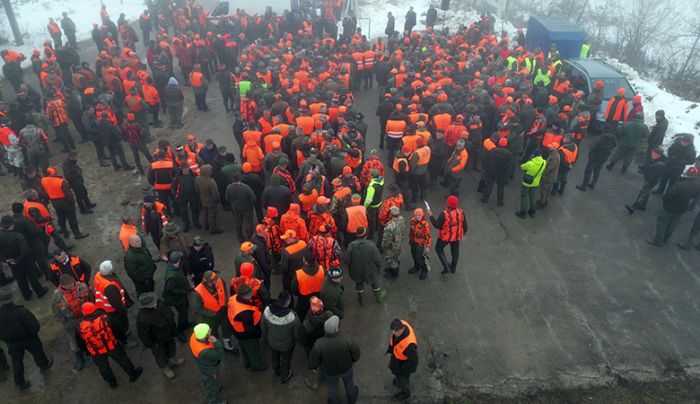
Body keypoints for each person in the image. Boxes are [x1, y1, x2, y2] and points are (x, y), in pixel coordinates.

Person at [78, 302, 142, 389]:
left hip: (96, 351)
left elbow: (80, 342)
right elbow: (117, 331)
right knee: (123, 360)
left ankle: (112, 382)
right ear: (95, 309)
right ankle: (132, 374)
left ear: (83, 312)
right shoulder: (106, 319)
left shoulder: (79, 326)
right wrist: (123, 340)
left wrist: (86, 351)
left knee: (103, 367)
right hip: (112, 346)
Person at [0, 289, 54, 390]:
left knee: (16, 361)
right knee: (37, 351)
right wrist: (32, 333)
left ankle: (19, 383)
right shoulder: (21, 311)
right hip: (28, 338)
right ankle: (44, 365)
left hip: (11, 343)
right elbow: (34, 326)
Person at [309, 315, 360, 404]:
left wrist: (313, 366)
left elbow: (313, 359)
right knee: (349, 383)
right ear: (336, 329)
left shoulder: (319, 344)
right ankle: (351, 396)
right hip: (346, 368)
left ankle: (335, 401)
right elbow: (356, 353)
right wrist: (353, 360)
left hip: (330, 372)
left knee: (332, 387)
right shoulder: (346, 339)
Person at [136, 292, 185, 379]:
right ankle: (165, 367)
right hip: (157, 342)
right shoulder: (142, 318)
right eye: (152, 304)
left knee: (171, 347)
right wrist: (152, 344)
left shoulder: (159, 302)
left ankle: (172, 360)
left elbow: (169, 311)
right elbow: (143, 335)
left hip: (169, 334)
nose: (155, 303)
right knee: (160, 355)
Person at [648, 168, 700, 246]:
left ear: (687, 173)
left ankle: (658, 240)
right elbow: (696, 198)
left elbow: (669, 195)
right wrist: (690, 206)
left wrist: (665, 201)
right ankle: (666, 238)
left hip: (670, 206)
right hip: (682, 209)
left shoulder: (680, 184)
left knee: (662, 222)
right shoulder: (697, 186)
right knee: (673, 224)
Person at [0, 215, 48, 300]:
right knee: (32, 276)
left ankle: (26, 295)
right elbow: (25, 250)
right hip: (25, 260)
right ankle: (39, 291)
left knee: (20, 279)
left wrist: (6, 260)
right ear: (12, 224)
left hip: (11, 261)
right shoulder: (18, 236)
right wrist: (18, 260)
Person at [51, 274, 89, 372]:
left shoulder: (81, 286)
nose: (73, 286)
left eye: (73, 284)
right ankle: (79, 357)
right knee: (73, 339)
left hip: (84, 316)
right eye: (70, 285)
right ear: (63, 285)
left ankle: (90, 349)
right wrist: (65, 323)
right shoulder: (57, 296)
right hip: (70, 320)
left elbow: (89, 298)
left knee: (88, 334)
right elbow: (56, 312)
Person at [261, 290, 300, 383]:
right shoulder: (292, 318)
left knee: (274, 356)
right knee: (286, 360)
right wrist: (294, 342)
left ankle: (276, 370)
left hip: (272, 342)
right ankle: (285, 375)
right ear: (289, 301)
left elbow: (263, 327)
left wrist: (267, 338)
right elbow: (296, 334)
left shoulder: (267, 311)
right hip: (287, 345)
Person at [94, 260, 135, 346]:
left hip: (105, 308)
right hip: (114, 310)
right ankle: (125, 341)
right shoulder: (110, 287)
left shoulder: (98, 275)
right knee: (121, 326)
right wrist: (124, 311)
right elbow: (116, 303)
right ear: (109, 272)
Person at [40, 166, 89, 239]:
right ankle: (77, 234)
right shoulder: (61, 182)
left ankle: (65, 232)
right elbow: (69, 194)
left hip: (55, 202)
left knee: (61, 218)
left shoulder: (43, 180)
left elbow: (44, 191)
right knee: (72, 218)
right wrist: (73, 202)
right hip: (65, 201)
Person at [228, 284, 266, 371]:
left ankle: (247, 362)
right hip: (246, 334)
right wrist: (258, 334)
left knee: (244, 348)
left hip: (237, 330)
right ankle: (257, 366)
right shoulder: (245, 313)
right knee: (253, 350)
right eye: (251, 294)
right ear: (245, 296)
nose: (252, 296)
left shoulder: (233, 298)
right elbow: (250, 330)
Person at [194, 271, 234, 351]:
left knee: (226, 328)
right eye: (214, 280)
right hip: (210, 316)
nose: (217, 280)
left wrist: (225, 301)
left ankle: (227, 345)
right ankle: (215, 346)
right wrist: (211, 313)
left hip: (223, 310)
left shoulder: (220, 280)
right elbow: (198, 309)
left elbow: (224, 291)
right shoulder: (198, 293)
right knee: (213, 332)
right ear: (208, 282)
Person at [344, 227, 385, 305]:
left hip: (356, 270)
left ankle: (361, 300)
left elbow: (347, 260)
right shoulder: (371, 245)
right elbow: (377, 259)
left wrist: (351, 267)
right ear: (366, 235)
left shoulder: (351, 246)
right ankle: (378, 298)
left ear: (357, 235)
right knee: (375, 283)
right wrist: (379, 269)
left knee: (359, 284)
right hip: (370, 270)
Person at [428, 195, 467, 274]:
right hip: (456, 236)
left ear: (448, 203)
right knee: (455, 251)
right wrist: (463, 233)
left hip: (445, 237)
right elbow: (465, 225)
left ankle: (446, 267)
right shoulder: (461, 212)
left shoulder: (444, 214)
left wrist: (431, 216)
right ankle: (453, 268)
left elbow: (437, 225)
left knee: (438, 248)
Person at [190, 323, 226, 404]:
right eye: (208, 331)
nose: (210, 330)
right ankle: (215, 401)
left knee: (209, 380)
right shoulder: (204, 351)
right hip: (210, 368)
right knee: (211, 385)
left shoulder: (194, 335)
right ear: (204, 337)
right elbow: (219, 354)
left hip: (203, 365)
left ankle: (215, 386)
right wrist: (216, 343)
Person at [626, 147, 668, 214]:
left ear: (659, 155)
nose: (653, 155)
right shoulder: (654, 159)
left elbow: (656, 176)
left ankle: (633, 207)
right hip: (648, 178)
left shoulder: (660, 164)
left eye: (655, 154)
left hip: (651, 181)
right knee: (646, 192)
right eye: (653, 153)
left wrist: (649, 182)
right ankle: (642, 206)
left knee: (643, 193)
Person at [387, 319, 419, 401]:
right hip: (398, 359)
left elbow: (414, 361)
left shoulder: (409, 346)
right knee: (400, 376)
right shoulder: (402, 323)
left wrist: (402, 371)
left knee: (402, 378)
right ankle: (402, 381)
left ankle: (405, 392)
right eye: (393, 331)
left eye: (396, 331)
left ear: (401, 329)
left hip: (403, 364)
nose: (393, 333)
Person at [163, 251, 190, 338]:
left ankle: (185, 324)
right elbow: (169, 288)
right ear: (177, 261)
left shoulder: (175, 267)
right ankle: (179, 330)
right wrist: (183, 291)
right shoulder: (171, 275)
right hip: (177, 299)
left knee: (185, 310)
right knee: (182, 314)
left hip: (182, 296)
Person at [291, 252, 325, 321]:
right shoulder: (322, 269)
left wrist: (299, 294)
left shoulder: (299, 273)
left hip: (304, 298)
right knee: (318, 311)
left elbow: (293, 288)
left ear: (305, 261)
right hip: (318, 295)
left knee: (301, 314)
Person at [480, 138, 512, 206]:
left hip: (493, 170)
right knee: (501, 187)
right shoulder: (508, 154)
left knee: (489, 184)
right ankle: (500, 202)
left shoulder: (494, 151)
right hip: (502, 172)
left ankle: (485, 199)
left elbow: (489, 159)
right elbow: (509, 163)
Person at [225, 173, 257, 242]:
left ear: (232, 179)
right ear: (240, 178)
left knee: (237, 222)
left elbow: (227, 198)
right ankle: (250, 236)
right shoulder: (246, 188)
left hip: (235, 208)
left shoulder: (229, 187)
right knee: (248, 222)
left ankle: (240, 237)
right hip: (247, 208)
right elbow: (253, 198)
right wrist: (251, 204)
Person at [517, 150, 547, 218]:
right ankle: (532, 211)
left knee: (524, 196)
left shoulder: (530, 163)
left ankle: (523, 212)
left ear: (533, 154)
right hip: (536, 183)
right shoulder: (544, 162)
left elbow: (522, 167)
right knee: (533, 196)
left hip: (526, 183)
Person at [195, 164, 223, 234]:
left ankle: (206, 225)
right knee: (212, 215)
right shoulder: (211, 182)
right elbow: (215, 194)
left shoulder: (197, 178)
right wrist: (217, 200)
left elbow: (196, 189)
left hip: (203, 198)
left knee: (205, 213)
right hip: (211, 201)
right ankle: (213, 229)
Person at [382, 206, 406, 279]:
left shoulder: (390, 226)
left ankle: (394, 274)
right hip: (399, 242)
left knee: (392, 259)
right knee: (397, 256)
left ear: (391, 215)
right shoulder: (402, 219)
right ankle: (393, 269)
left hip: (392, 246)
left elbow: (387, 239)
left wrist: (384, 245)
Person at [408, 208, 431, 280]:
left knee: (419, 258)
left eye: (419, 215)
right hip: (413, 242)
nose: (417, 217)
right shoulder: (412, 221)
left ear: (422, 215)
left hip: (419, 244)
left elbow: (428, 236)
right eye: (416, 215)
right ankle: (416, 267)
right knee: (414, 255)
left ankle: (424, 269)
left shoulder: (425, 224)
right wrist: (410, 240)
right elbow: (411, 231)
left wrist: (427, 247)